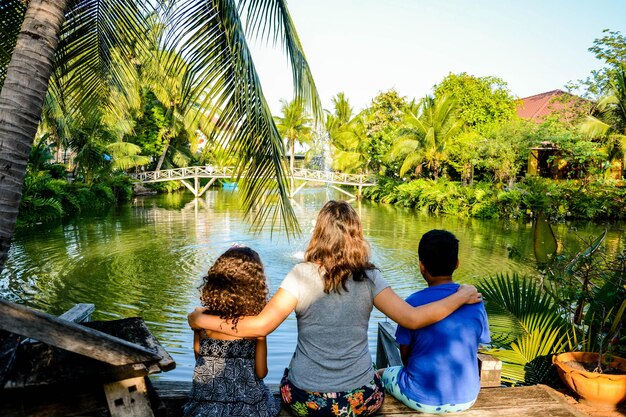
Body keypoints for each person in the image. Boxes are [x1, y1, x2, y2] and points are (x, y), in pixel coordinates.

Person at [188, 201, 482, 417]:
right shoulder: (369, 277)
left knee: (290, 375)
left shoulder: (301, 274)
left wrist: (202, 320)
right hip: (359, 399)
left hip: (306, 399)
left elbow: (261, 326)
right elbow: (414, 319)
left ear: (319, 233)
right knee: (377, 375)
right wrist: (461, 295)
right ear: (356, 235)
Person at [380, 229, 491, 414]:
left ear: (421, 266)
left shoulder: (412, 304)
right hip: (468, 397)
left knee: (382, 374)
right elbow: (475, 345)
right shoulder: (475, 301)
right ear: (457, 263)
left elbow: (405, 356)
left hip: (421, 398)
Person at [183, 246, 281, 417]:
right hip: (248, 407)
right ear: (255, 286)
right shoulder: (255, 327)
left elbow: (199, 357)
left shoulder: (203, 321)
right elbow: (261, 372)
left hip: (206, 406)